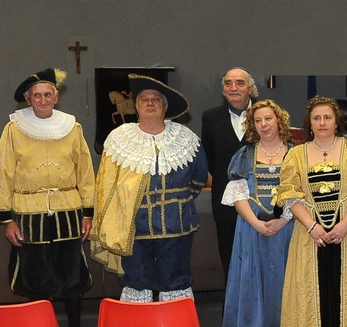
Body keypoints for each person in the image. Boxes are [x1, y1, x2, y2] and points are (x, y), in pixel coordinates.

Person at [90, 74, 208, 303]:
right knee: (136, 280)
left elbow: (198, 178)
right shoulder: (118, 138)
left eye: (156, 99)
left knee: (176, 280)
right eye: (144, 99)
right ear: (136, 106)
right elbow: (106, 185)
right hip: (135, 225)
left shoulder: (186, 138)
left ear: (165, 107)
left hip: (178, 224)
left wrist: (175, 203)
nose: (150, 103)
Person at [276, 95, 347, 326]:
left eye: (327, 117)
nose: (322, 122)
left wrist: (344, 226)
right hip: (308, 235)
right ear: (309, 123)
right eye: (316, 118)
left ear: (336, 122)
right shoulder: (295, 154)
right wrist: (312, 227)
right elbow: (289, 195)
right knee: (309, 291)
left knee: (345, 293)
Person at [0, 68, 94, 327]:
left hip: (68, 210)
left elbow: (84, 170)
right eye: (37, 95)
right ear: (28, 99)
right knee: (35, 277)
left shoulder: (72, 127)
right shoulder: (13, 129)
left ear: (56, 97)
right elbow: (3, 173)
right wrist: (8, 219)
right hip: (28, 213)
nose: (43, 100)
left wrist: (87, 213)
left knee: (71, 275)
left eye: (47, 94)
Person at [221, 99, 294, 327]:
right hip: (251, 230)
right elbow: (237, 194)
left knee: (286, 281)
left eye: (268, 118)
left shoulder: (296, 154)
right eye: (258, 120)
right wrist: (256, 224)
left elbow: (301, 194)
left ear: (279, 120)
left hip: (289, 229)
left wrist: (282, 221)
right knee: (252, 282)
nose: (263, 124)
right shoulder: (244, 154)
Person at [201, 68, 256, 278]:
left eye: (240, 83)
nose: (233, 88)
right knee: (230, 263)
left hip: (262, 204)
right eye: (228, 83)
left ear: (251, 88)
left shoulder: (266, 115)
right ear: (223, 90)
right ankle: (233, 310)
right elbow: (208, 159)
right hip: (225, 205)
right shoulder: (210, 117)